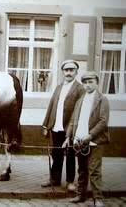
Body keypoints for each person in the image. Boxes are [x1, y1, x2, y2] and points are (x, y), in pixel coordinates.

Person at [62, 71, 110, 207]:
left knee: (94, 170)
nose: (88, 85)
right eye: (85, 83)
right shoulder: (80, 100)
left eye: (91, 82)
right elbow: (72, 120)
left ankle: (98, 198)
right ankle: (80, 195)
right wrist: (68, 137)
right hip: (79, 140)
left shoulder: (102, 99)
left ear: (96, 83)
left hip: (95, 141)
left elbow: (103, 121)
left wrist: (90, 136)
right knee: (82, 170)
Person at [41, 59, 85, 191]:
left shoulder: (80, 89)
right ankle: (55, 179)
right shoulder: (59, 87)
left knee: (70, 155)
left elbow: (79, 111)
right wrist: (46, 125)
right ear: (63, 72)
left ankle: (70, 181)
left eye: (72, 70)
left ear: (76, 72)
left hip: (70, 128)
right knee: (56, 154)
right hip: (56, 126)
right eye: (66, 70)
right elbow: (51, 106)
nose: (69, 73)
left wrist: (72, 130)